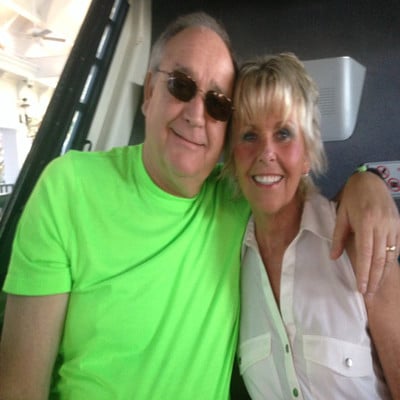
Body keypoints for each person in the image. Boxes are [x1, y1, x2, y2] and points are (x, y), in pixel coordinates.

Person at [0, 12, 398, 400]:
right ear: (149, 92)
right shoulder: (71, 186)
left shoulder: (343, 236)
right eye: (181, 86)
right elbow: (20, 384)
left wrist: (368, 180)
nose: (196, 115)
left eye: (217, 104)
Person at [225, 53, 400, 399]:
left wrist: (367, 180)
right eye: (249, 135)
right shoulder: (230, 263)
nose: (266, 152)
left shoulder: (358, 239)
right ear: (232, 155)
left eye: (284, 133)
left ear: (307, 154)